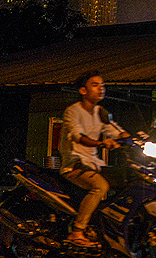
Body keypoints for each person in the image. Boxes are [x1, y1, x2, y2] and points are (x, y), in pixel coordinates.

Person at [59, 70, 129, 247]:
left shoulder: (101, 112)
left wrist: (135, 139)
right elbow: (78, 136)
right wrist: (101, 144)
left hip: (93, 165)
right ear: (83, 91)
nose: (101, 88)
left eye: (103, 85)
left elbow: (115, 130)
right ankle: (77, 231)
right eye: (95, 85)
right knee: (101, 186)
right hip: (74, 165)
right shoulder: (72, 111)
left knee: (126, 179)